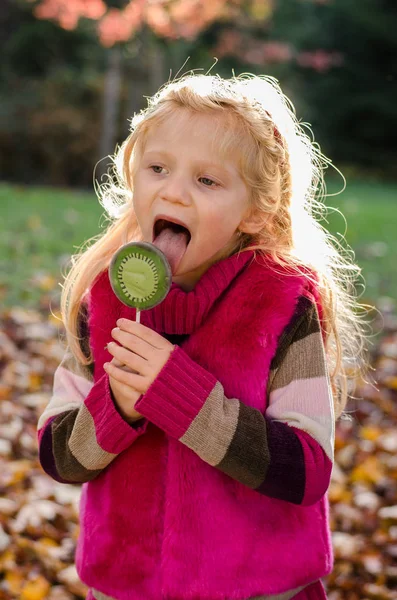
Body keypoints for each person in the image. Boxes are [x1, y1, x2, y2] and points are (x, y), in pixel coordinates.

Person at [37, 73, 369, 600]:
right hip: (127, 588)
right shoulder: (104, 304)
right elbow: (59, 457)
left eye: (206, 181)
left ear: (256, 211)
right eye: (157, 169)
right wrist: (115, 407)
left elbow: (305, 471)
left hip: (258, 590)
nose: (172, 191)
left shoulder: (283, 306)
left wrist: (181, 397)